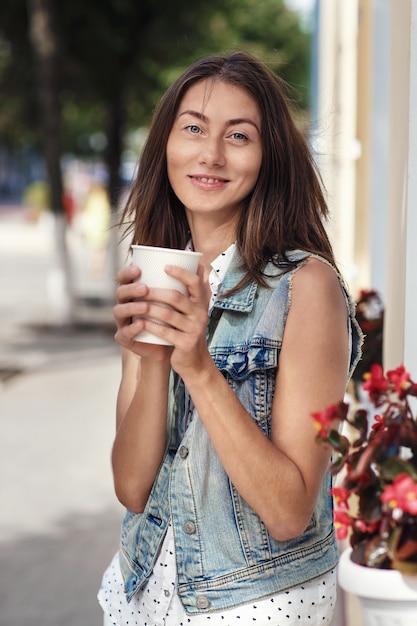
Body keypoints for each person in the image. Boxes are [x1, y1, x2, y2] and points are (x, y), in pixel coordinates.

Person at [98, 51, 362, 625]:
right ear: (165, 143)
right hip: (145, 595)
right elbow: (133, 488)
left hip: (253, 606)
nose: (210, 154)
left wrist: (197, 367)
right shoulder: (155, 272)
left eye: (238, 136)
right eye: (193, 128)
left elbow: (290, 511)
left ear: (268, 158)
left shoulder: (305, 287)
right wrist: (150, 363)